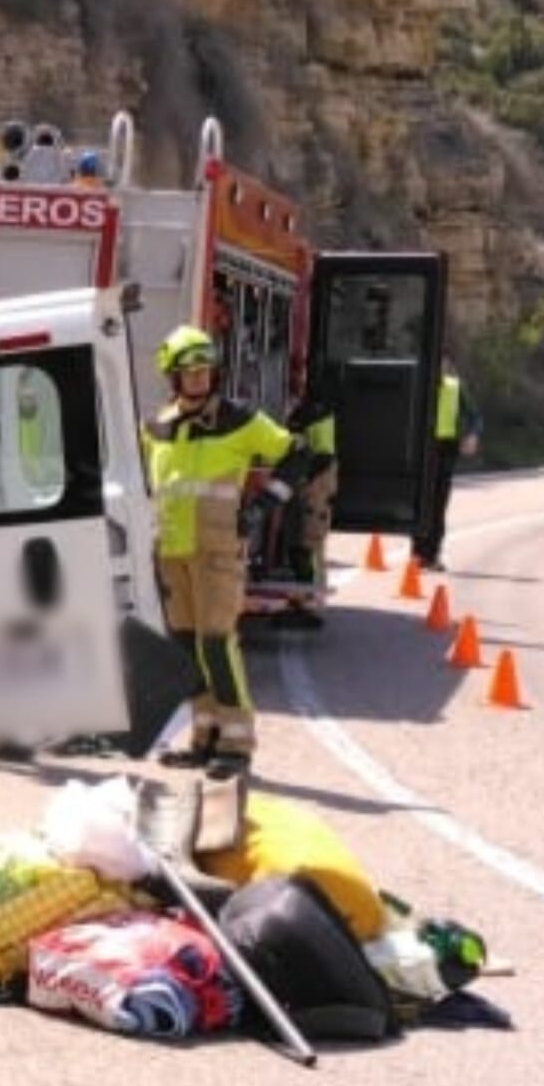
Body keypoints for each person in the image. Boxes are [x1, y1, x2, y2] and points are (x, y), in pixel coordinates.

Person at [142, 324, 310, 777]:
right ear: (173, 378)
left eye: (205, 370)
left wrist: (263, 504)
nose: (198, 379)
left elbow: (299, 454)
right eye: (188, 372)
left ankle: (237, 743)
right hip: (171, 553)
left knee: (216, 644)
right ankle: (204, 737)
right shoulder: (157, 427)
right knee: (183, 649)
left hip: (216, 553)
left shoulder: (241, 420)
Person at [413, 362, 482, 571]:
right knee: (420, 504)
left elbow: (474, 416)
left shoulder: (454, 387)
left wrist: (472, 435)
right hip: (421, 451)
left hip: (445, 451)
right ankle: (417, 554)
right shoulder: (418, 384)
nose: (439, 368)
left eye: (442, 364)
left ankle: (431, 555)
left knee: (438, 505)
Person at [281, 386, 338, 628]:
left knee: (311, 539)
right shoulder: (302, 413)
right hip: (305, 478)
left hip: (317, 479)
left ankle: (312, 601)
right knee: (298, 539)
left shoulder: (317, 413)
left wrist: (305, 478)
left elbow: (324, 455)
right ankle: (302, 597)